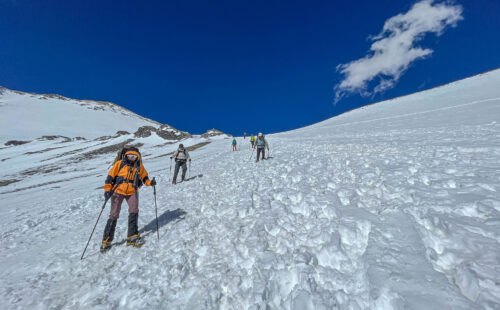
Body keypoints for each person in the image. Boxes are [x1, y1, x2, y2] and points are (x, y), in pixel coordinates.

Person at [101, 147, 156, 251]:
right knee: (114, 214)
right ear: (126, 156)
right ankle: (106, 240)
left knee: (134, 211)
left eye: (134, 156)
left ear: (137, 157)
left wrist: (150, 183)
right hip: (117, 191)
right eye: (130, 156)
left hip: (132, 191)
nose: (132, 158)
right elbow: (110, 177)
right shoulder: (119, 163)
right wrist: (107, 190)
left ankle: (132, 236)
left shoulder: (139, 166)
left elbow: (145, 178)